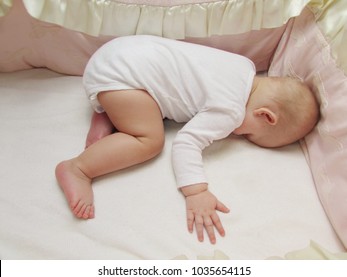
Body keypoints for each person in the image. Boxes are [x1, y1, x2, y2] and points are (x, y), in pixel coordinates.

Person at [55, 35, 319, 244]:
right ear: (266, 116)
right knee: (148, 139)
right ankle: (78, 169)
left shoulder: (244, 68)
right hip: (121, 77)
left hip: (118, 53)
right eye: (250, 134)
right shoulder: (230, 111)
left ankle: (106, 113)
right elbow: (186, 143)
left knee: (159, 106)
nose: (239, 135)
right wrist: (196, 191)